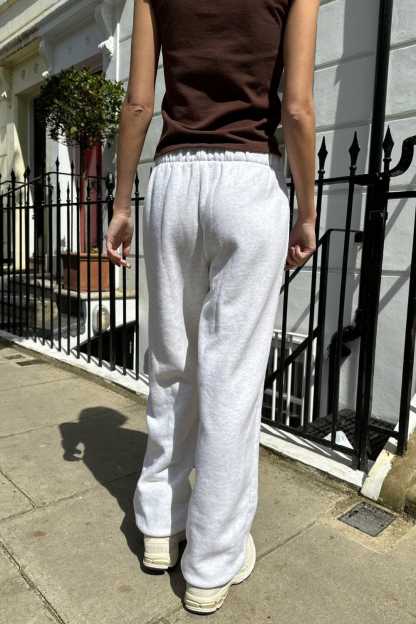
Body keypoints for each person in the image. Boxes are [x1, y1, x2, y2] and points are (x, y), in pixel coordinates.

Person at [105, 0, 319, 614]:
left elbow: (139, 104)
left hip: (173, 180)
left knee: (171, 362)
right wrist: (307, 211)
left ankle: (158, 527)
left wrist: (121, 202)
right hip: (249, 180)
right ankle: (211, 562)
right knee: (232, 379)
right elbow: (297, 108)